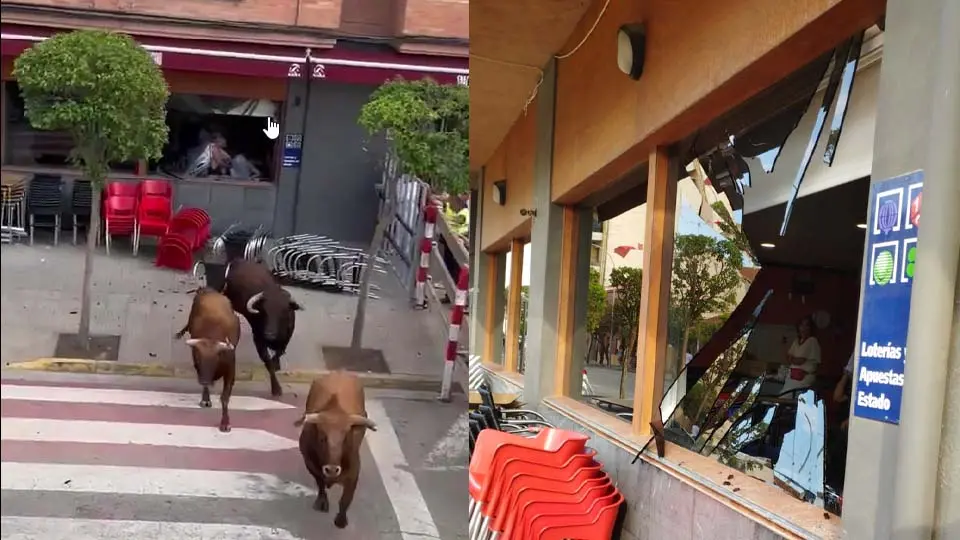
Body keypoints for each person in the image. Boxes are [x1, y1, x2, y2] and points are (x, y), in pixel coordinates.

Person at [781, 315, 821, 395]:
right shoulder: (796, 341)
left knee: (792, 397)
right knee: (784, 396)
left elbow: (799, 361)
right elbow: (787, 357)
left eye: (806, 325)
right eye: (801, 325)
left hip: (803, 379)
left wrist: (792, 359)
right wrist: (792, 359)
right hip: (792, 377)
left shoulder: (812, 341)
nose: (803, 328)